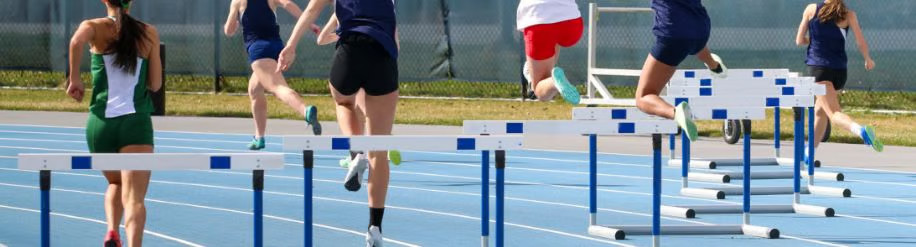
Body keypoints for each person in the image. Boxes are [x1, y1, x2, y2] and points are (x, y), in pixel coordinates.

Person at [278, 0, 399, 245]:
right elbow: (395, 30)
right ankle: (375, 227)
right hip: (384, 56)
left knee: (343, 101)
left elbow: (312, 10)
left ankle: (356, 153)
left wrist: (290, 46)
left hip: (351, 51)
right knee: (380, 150)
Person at [66, 1, 159, 246]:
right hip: (135, 124)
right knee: (135, 198)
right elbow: (156, 84)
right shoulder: (148, 33)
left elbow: (76, 41)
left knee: (116, 182)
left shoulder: (93, 27)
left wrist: (75, 78)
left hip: (100, 126)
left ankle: (111, 231)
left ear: (104, 1)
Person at [224, 0, 322, 150]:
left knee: (277, 87)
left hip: (258, 49)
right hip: (276, 47)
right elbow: (289, 4)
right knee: (254, 90)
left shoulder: (238, 1)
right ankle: (259, 137)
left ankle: (305, 110)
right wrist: (310, 25)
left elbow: (229, 31)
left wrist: (233, 21)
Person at [315, 14, 403, 169]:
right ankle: (384, 140)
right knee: (369, 112)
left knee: (349, 106)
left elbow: (321, 39)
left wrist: (339, 34)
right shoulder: (386, 7)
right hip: (381, 58)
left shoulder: (344, 9)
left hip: (350, 57)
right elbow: (395, 41)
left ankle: (356, 153)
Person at [634, 0, 729, 142]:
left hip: (674, 33)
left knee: (643, 97)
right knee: (693, 43)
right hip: (701, 28)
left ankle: (676, 113)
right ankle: (715, 66)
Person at [795, 0, 882, 152]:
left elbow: (799, 40)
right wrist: (867, 58)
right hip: (840, 71)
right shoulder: (849, 14)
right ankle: (809, 153)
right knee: (820, 111)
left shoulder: (811, 9)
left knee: (834, 113)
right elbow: (860, 41)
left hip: (819, 70)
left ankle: (860, 131)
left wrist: (815, 40)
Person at [517, 0, 583, 104]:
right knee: (553, 38)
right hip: (572, 22)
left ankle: (554, 82)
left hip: (538, 20)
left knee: (539, 90)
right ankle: (549, 78)